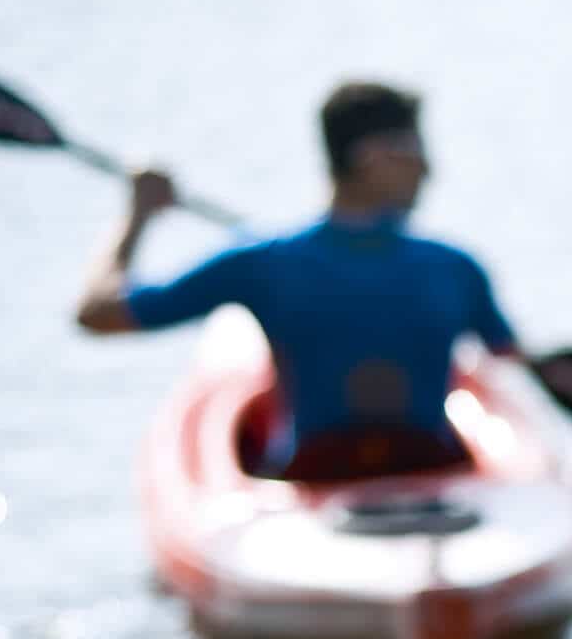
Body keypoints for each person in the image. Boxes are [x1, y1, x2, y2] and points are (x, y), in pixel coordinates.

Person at [75, 81, 518, 479]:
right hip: (431, 466)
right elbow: (510, 358)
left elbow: (97, 313)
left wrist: (138, 214)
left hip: (311, 474)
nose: (428, 172)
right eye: (417, 157)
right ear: (375, 157)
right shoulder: (457, 267)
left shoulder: (259, 262)